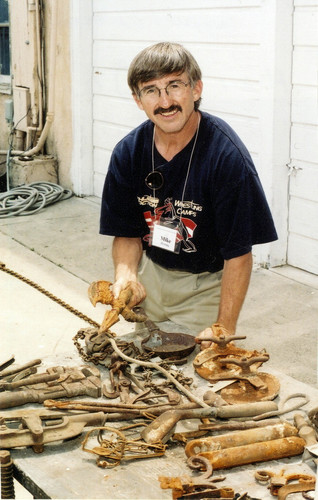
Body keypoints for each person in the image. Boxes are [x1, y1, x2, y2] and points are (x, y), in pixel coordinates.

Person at [99, 41, 278, 348]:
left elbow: (238, 254)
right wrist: (126, 274)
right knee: (138, 362)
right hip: (151, 276)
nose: (165, 101)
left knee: (195, 372)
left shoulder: (226, 156)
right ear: (138, 100)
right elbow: (127, 233)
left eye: (174, 85)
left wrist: (223, 326)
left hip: (204, 286)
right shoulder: (128, 152)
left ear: (196, 89)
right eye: (151, 90)